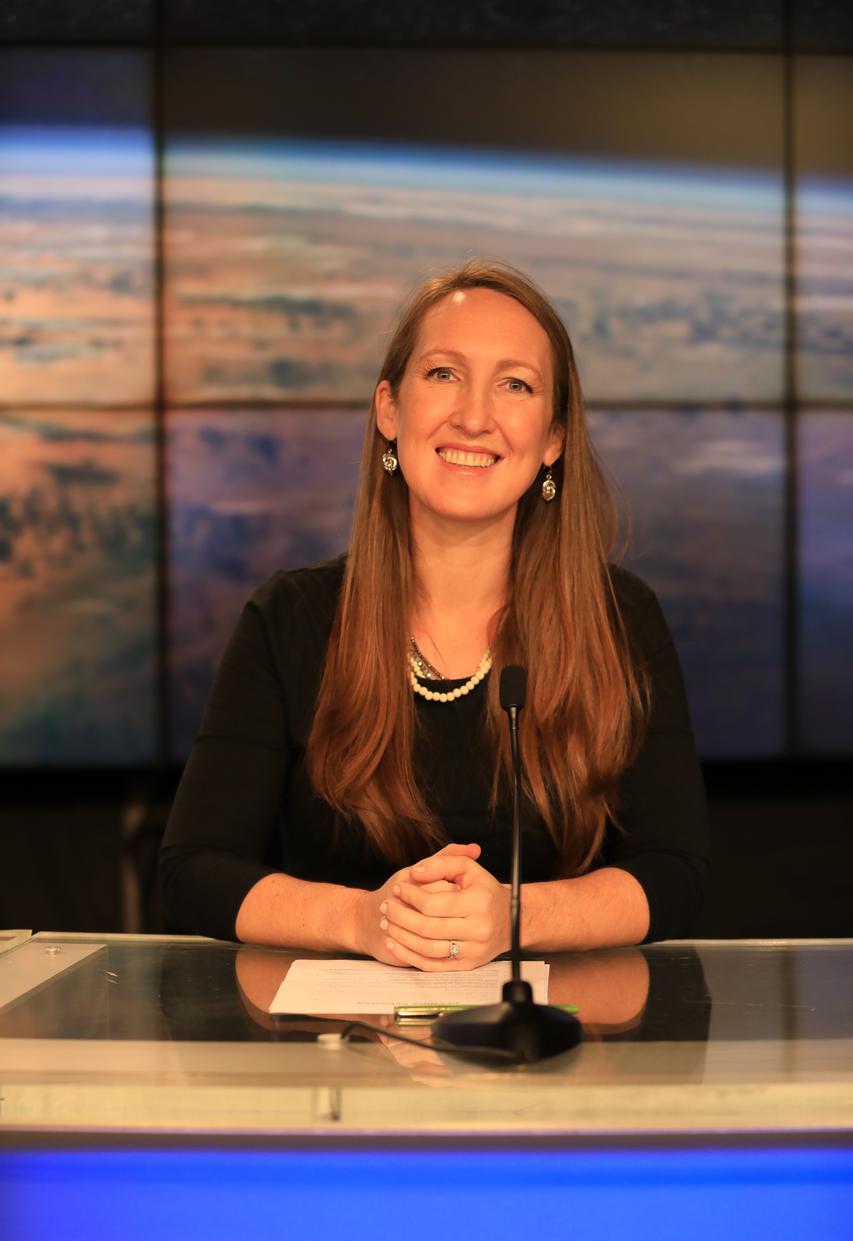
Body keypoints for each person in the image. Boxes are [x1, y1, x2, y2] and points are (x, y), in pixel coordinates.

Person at [159, 260, 710, 970]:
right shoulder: (291, 617)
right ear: (388, 410)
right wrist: (364, 919)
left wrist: (513, 916)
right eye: (443, 374)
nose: (474, 416)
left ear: (552, 440)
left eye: (515, 384)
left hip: (557, 1054)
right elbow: (191, 870)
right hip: (334, 1060)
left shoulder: (620, 619)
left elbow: (675, 873)